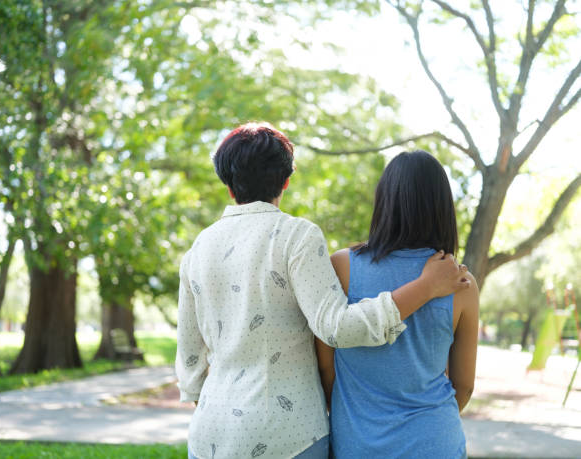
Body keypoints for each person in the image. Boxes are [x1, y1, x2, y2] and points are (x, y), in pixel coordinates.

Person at [175, 125, 469, 459]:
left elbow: (190, 358)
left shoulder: (197, 250)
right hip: (288, 435)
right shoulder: (296, 236)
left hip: (209, 435)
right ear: (285, 181)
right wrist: (426, 287)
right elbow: (337, 329)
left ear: (229, 186)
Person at [316, 151, 479, 459]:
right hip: (436, 443)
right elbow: (464, 386)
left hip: (359, 445)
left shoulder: (342, 267)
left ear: (384, 202)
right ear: (443, 207)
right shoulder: (462, 283)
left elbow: (326, 368)